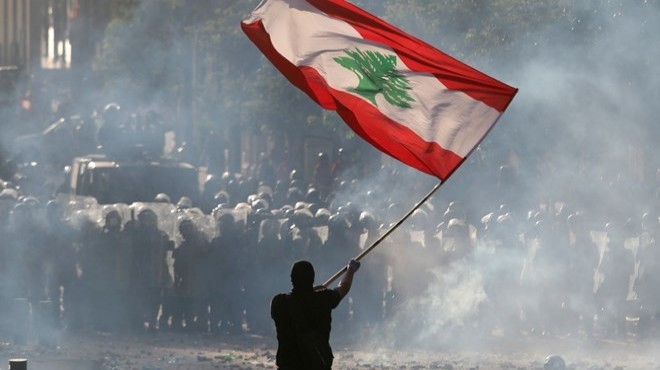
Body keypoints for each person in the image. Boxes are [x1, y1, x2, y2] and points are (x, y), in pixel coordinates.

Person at [270, 259, 360, 370]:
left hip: (288, 365)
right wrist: (350, 271)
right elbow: (343, 287)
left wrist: (312, 291)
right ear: (312, 278)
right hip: (317, 363)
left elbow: (299, 299)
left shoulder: (279, 302)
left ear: (291, 279)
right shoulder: (323, 299)